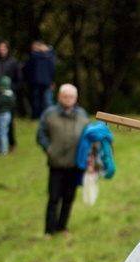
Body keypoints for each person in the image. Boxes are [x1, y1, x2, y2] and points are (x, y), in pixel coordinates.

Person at [36, 84, 89, 238]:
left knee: (68, 197)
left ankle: (62, 227)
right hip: (56, 164)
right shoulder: (50, 114)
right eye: (65, 96)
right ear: (59, 97)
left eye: (71, 97)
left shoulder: (82, 116)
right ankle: (48, 230)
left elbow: (88, 136)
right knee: (53, 197)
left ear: (75, 98)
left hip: (74, 164)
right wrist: (50, 149)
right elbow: (40, 135)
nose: (68, 99)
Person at [0, 41, 22, 152]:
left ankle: (11, 144)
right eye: (0, 48)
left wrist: (11, 91)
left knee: (8, 121)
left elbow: (19, 80)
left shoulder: (13, 63)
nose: (1, 50)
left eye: (4, 48)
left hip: (7, 97)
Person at [23, 41, 56, 119]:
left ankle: (36, 116)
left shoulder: (33, 56)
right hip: (47, 81)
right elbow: (52, 69)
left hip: (35, 82)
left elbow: (27, 68)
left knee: (36, 100)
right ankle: (50, 116)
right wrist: (52, 80)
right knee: (47, 100)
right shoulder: (49, 55)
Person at [0, 76, 15, 156]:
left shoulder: (3, 95)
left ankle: (3, 150)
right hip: (8, 115)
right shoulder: (11, 94)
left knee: (2, 133)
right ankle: (3, 148)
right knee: (5, 131)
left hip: (2, 115)